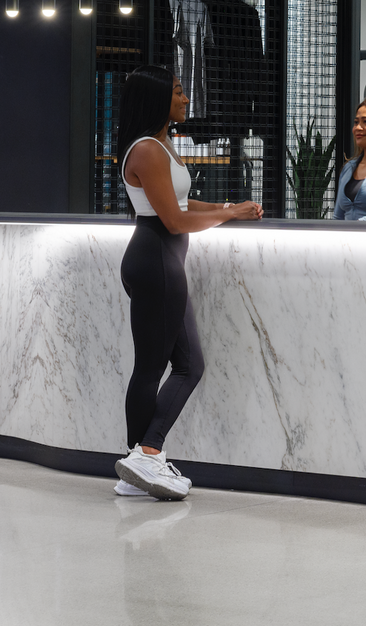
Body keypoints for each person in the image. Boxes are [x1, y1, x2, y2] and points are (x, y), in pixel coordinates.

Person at [113, 65, 261, 500]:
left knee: (181, 364)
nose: (185, 97)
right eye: (178, 91)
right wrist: (228, 214)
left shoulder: (162, 144)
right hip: (155, 259)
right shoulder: (147, 149)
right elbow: (175, 220)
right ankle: (145, 456)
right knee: (165, 366)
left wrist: (225, 207)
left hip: (161, 260)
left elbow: (179, 201)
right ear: (158, 98)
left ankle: (139, 466)